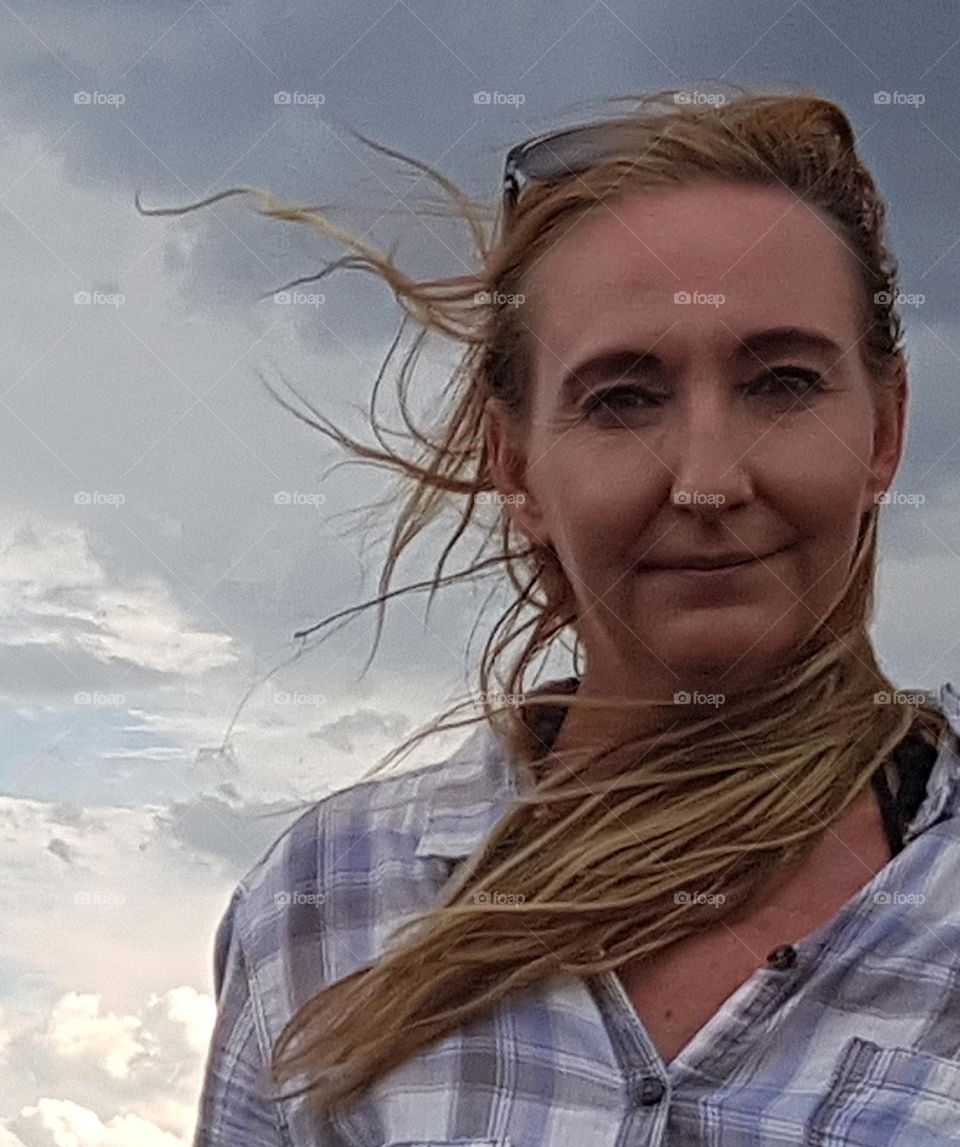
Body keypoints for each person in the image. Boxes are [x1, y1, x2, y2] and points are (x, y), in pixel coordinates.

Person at [153, 86, 960, 1145]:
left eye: (784, 383)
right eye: (623, 397)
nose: (709, 481)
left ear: (886, 430)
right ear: (518, 464)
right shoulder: (328, 902)